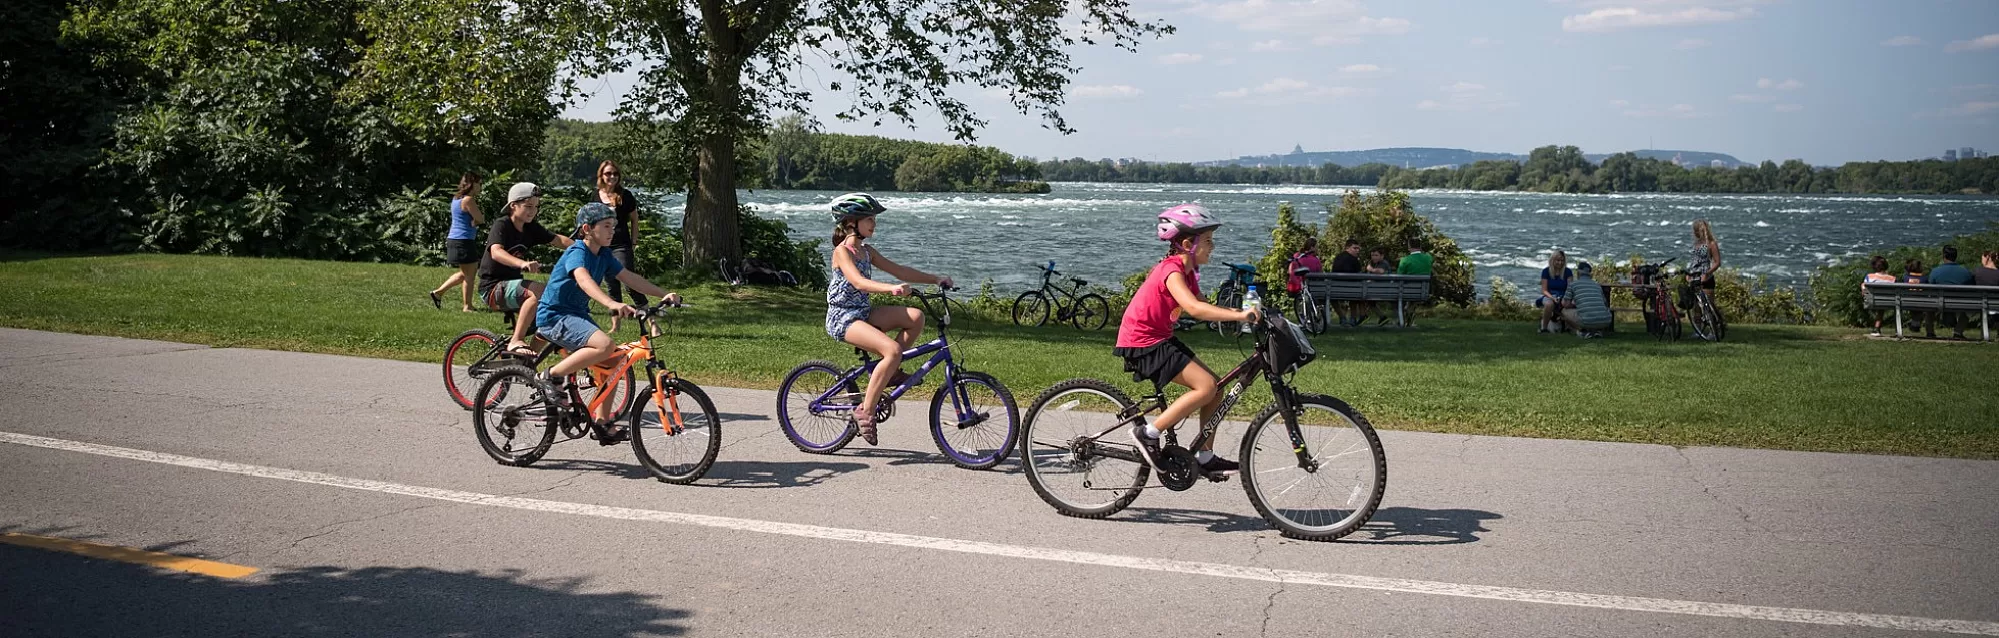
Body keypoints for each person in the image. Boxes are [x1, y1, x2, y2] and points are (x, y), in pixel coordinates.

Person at [1117, 204, 1259, 476]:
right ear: (1186, 244)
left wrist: (1243, 314)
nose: (1212, 246)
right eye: (1207, 241)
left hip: (1158, 338)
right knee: (1205, 387)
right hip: (1142, 342)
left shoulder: (1189, 272)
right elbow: (1193, 309)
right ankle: (1147, 433)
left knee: (1215, 388)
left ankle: (1204, 455)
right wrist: (1242, 317)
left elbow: (1206, 306)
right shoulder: (1171, 271)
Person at [535, 203, 681, 441]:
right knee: (605, 345)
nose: (612, 231)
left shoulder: (603, 255)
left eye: (613, 226)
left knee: (614, 364)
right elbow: (583, 280)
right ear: (586, 229)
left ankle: (602, 424)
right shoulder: (577, 252)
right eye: (606, 226)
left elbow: (629, 278)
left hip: (576, 316)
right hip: (555, 316)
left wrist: (663, 293)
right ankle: (551, 376)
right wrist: (611, 304)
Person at [824, 193, 954, 446]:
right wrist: (890, 289)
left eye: (874, 219)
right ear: (852, 222)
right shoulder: (843, 252)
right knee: (892, 350)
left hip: (862, 312)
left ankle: (890, 370)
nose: (874, 224)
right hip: (843, 318)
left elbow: (900, 270)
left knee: (916, 317)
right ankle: (865, 410)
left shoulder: (867, 251)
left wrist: (935, 279)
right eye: (869, 219)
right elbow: (858, 282)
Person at [477, 183, 573, 355]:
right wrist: (522, 264)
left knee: (552, 314)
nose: (532, 211)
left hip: (513, 286)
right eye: (528, 206)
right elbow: (496, 252)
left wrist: (585, 251)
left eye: (536, 207)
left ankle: (528, 361)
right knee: (538, 290)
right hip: (492, 288)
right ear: (513, 205)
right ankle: (516, 339)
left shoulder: (531, 228)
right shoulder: (503, 224)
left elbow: (558, 240)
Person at [595, 161, 649, 334]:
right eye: (608, 174)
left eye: (615, 174)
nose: (612, 177)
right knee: (611, 284)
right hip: (603, 246)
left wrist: (634, 242)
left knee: (630, 282)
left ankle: (651, 321)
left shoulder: (625, 195)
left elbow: (634, 220)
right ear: (601, 176)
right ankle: (615, 325)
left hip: (621, 245)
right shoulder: (595, 196)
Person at [429, 173, 486, 312]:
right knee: (470, 275)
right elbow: (481, 219)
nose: (480, 187)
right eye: (479, 183)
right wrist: (475, 222)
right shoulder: (468, 200)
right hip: (464, 241)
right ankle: (467, 306)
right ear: (472, 184)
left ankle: (438, 293)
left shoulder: (456, 199)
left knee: (465, 273)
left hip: (455, 239)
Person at [1929, 245, 1973, 339]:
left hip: (1939, 303)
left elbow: (1930, 287)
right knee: (1968, 311)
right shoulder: (1965, 272)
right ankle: (1958, 331)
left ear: (1944, 256)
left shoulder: (1936, 271)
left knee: (1929, 310)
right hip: (1960, 303)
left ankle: (1930, 332)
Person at [1561, 261, 1614, 339]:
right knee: (1592, 313)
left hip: (1586, 320)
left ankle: (1582, 331)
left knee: (1564, 312)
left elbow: (1565, 304)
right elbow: (1605, 303)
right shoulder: (1597, 285)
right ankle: (1596, 331)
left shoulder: (1573, 285)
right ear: (1590, 273)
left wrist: (1575, 304)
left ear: (1578, 272)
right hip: (1606, 320)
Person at [1396, 238, 1433, 326]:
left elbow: (1399, 275)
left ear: (1409, 247)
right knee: (1411, 304)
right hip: (1422, 291)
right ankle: (1408, 321)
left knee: (1405, 301)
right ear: (1420, 247)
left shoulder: (1405, 260)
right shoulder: (1428, 257)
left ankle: (1404, 321)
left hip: (1406, 290)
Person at [1328, 239, 1365, 326]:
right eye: (1355, 248)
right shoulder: (1355, 260)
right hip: (1353, 291)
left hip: (1336, 290)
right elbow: (1360, 276)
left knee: (1332, 298)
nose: (1357, 250)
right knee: (1355, 296)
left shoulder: (1338, 258)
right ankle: (1353, 318)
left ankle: (1342, 317)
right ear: (1347, 248)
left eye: (1358, 248)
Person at [1537, 250, 1573, 333]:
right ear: (1553, 260)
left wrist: (1566, 298)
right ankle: (1544, 328)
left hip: (1564, 296)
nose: (1560, 263)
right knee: (1549, 304)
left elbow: (1570, 288)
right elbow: (1544, 290)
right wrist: (1552, 297)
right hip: (1549, 295)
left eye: (1562, 260)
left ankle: (1572, 326)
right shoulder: (1546, 272)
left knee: (1569, 305)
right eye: (1558, 260)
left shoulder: (1568, 272)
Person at [1862, 256, 1897, 336]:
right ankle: (1877, 328)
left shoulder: (1869, 277)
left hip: (1871, 301)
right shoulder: (1892, 279)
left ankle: (1876, 328)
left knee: (1863, 286)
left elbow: (1864, 289)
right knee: (1881, 307)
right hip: (1888, 302)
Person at [1902, 259, 1932, 338]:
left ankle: (1915, 325)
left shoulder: (1905, 277)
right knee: (1919, 308)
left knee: (1914, 308)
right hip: (1922, 302)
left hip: (1906, 301)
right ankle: (1915, 325)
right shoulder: (1924, 278)